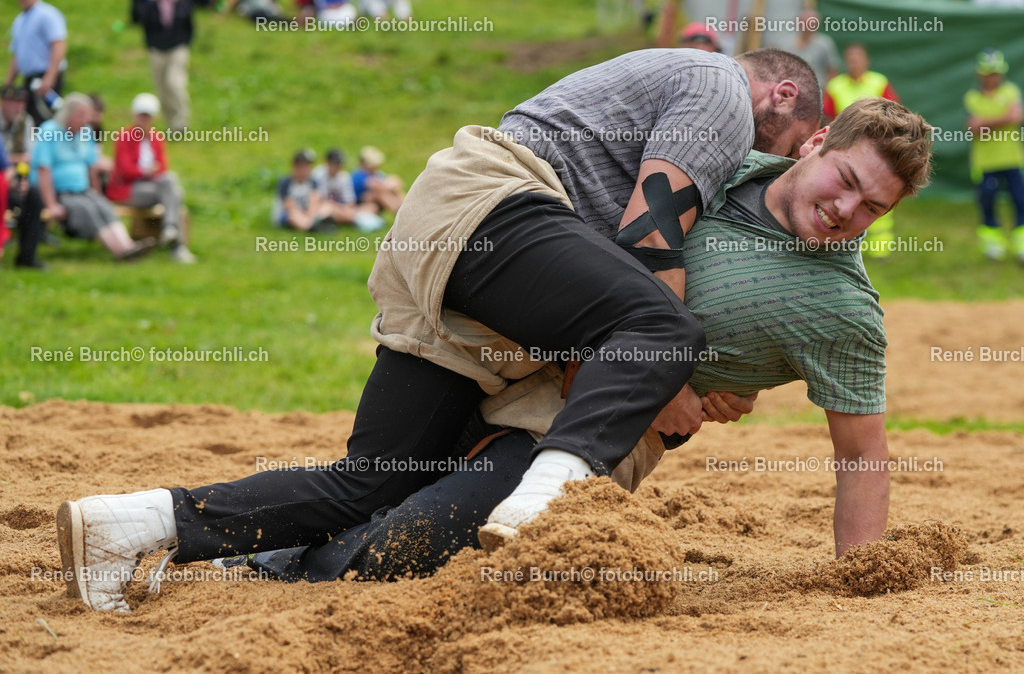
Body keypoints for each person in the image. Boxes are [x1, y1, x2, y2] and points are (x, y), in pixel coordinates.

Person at [55, 48, 824, 612]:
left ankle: (131, 523)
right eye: (782, 147)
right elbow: (650, 238)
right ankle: (546, 488)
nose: (763, 161)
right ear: (781, 94)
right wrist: (664, 377)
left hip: (469, 271)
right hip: (497, 210)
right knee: (664, 321)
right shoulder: (722, 89)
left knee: (371, 479)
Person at [222, 97, 933, 582]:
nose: (845, 210)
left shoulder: (843, 309)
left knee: (415, 542)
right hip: (517, 351)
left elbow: (862, 449)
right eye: (844, 180)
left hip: (605, 427)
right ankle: (220, 537)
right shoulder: (718, 167)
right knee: (373, 476)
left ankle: (279, 569)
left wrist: (858, 573)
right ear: (814, 144)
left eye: (872, 207)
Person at [30, 93, 155, 261]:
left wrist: (95, 192)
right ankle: (119, 251)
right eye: (81, 115)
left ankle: (128, 246)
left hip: (82, 189)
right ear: (68, 114)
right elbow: (43, 169)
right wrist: (51, 204)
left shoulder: (86, 132)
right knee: (86, 210)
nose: (85, 120)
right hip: (59, 191)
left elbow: (91, 167)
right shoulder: (49, 131)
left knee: (104, 207)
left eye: (87, 115)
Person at [824, 44, 899, 259]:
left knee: (877, 195)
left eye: (858, 58)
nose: (854, 62)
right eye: (850, 58)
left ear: (867, 61)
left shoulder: (879, 82)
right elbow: (828, 117)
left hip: (877, 154)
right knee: (845, 199)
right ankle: (847, 246)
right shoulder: (835, 86)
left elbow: (895, 115)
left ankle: (880, 249)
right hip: (845, 153)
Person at [106, 93, 196, 264]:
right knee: (174, 194)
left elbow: (162, 167)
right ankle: (177, 246)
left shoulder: (156, 138)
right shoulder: (124, 136)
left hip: (152, 187)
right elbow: (125, 170)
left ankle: (170, 230)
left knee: (170, 181)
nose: (144, 119)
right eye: (141, 114)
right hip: (128, 189)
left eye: (147, 115)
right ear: (135, 114)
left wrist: (151, 172)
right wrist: (145, 172)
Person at [965, 49, 1024, 262]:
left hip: (1012, 159)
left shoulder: (1011, 91)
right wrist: (1003, 117)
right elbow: (973, 127)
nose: (994, 77)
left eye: (996, 73)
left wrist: (986, 121)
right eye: (989, 73)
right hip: (985, 162)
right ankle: (993, 246)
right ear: (981, 74)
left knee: (1020, 201)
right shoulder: (972, 97)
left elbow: (1016, 116)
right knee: (987, 202)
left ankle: (1021, 246)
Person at [0, 84, 46, 269]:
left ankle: (26, 257)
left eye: (21, 103)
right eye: (13, 103)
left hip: (13, 177)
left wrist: (22, 181)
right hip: (4, 177)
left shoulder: (25, 122)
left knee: (34, 197)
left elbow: (30, 158)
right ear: (3, 103)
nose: (17, 107)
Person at [135, 0, 194, 132]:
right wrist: (151, 45)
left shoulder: (183, 2)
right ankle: (171, 124)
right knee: (161, 87)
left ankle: (181, 121)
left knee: (174, 83)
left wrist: (184, 43)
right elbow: (146, 26)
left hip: (177, 48)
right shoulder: (151, 3)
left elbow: (190, 27)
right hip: (157, 50)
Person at [4, 0, 67, 124]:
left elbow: (58, 45)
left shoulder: (48, 14)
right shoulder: (19, 20)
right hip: (29, 79)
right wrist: (8, 85)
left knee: (44, 120)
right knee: (29, 120)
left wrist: (50, 77)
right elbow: (17, 54)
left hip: (46, 77)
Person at [311, 148, 385, 231]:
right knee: (327, 207)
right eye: (335, 164)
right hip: (322, 207)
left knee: (371, 207)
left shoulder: (343, 177)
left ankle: (334, 221)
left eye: (339, 164)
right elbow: (319, 198)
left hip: (340, 208)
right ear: (328, 163)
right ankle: (320, 222)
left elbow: (350, 202)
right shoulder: (318, 174)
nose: (337, 167)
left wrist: (344, 210)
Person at [771, 9, 840, 89]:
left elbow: (833, 70)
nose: (807, 26)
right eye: (804, 23)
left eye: (811, 23)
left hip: (817, 91)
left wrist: (827, 91)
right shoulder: (785, 43)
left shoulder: (825, 44)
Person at [273, 149, 329, 231]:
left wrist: (309, 214)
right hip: (288, 214)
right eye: (304, 165)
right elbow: (288, 205)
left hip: (306, 213)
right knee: (293, 214)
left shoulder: (312, 181)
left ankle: (309, 225)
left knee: (326, 206)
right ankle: (311, 226)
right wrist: (305, 215)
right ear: (296, 166)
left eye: (308, 165)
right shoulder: (286, 182)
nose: (307, 169)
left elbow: (315, 200)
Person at [350, 146, 403, 214]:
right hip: (360, 203)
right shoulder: (358, 174)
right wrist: (389, 185)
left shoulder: (376, 174)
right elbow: (375, 185)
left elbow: (394, 182)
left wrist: (392, 185)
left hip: (375, 200)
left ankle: (404, 207)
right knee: (378, 193)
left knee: (394, 190)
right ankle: (399, 210)